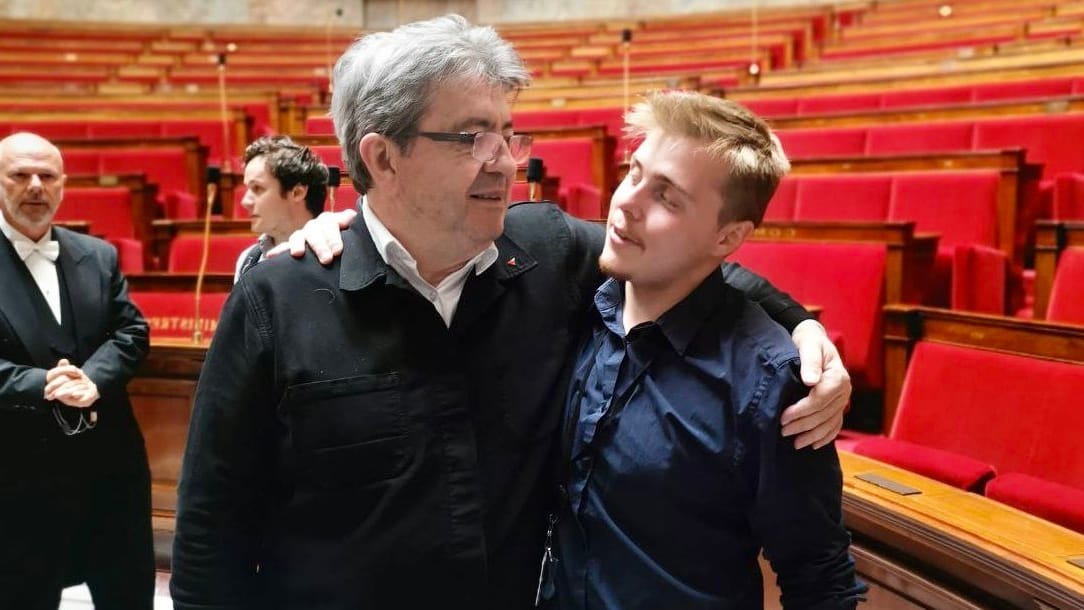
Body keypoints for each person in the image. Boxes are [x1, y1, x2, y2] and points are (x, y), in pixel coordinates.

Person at [171, 15, 848, 610]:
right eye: (472, 137)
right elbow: (209, 539)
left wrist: (802, 325)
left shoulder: (546, 249)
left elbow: (694, 266)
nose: (505, 162)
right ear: (383, 157)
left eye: (507, 133)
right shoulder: (275, 298)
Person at [550, 92, 865, 609]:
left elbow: (820, 579)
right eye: (633, 173)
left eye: (667, 197)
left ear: (727, 236)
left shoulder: (770, 382)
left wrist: (804, 326)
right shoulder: (578, 302)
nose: (626, 202)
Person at [0, 132, 153, 610]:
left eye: (47, 176)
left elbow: (131, 331)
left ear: (63, 185)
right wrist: (41, 383)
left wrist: (92, 379)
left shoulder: (98, 255)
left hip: (109, 467)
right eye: (20, 175)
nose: (35, 186)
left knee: (125, 593)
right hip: (17, 473)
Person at [234, 135, 329, 282]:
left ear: (297, 192)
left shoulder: (335, 253)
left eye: (257, 188)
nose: (245, 201)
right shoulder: (247, 260)